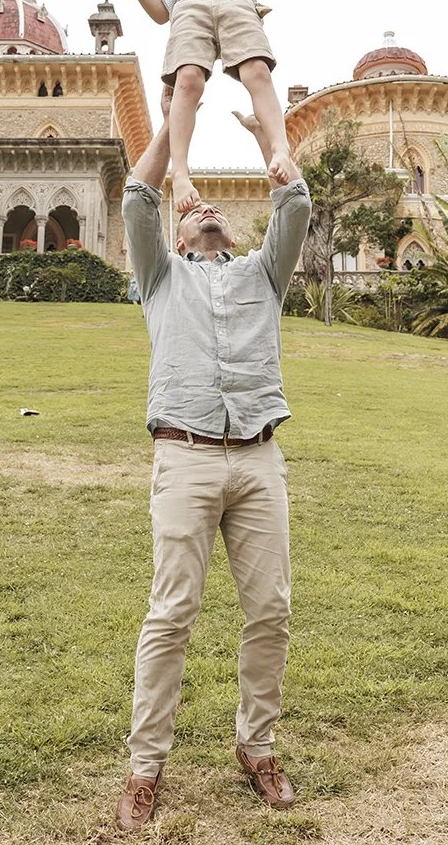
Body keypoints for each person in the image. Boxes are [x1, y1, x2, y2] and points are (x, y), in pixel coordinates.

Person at [114, 88, 311, 832]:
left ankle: (256, 748)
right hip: (186, 457)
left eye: (212, 211)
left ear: (229, 224)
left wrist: (272, 139)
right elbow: (137, 195)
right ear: (179, 224)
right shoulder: (160, 278)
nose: (203, 213)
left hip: (259, 459)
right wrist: (176, 128)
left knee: (272, 611)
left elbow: (295, 208)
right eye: (190, 211)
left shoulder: (264, 274)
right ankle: (145, 767)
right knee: (172, 613)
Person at [120, 0, 303, 216]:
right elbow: (162, 11)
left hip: (238, 4)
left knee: (257, 72)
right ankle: (180, 173)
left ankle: (280, 151)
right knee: (187, 81)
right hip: (191, 7)